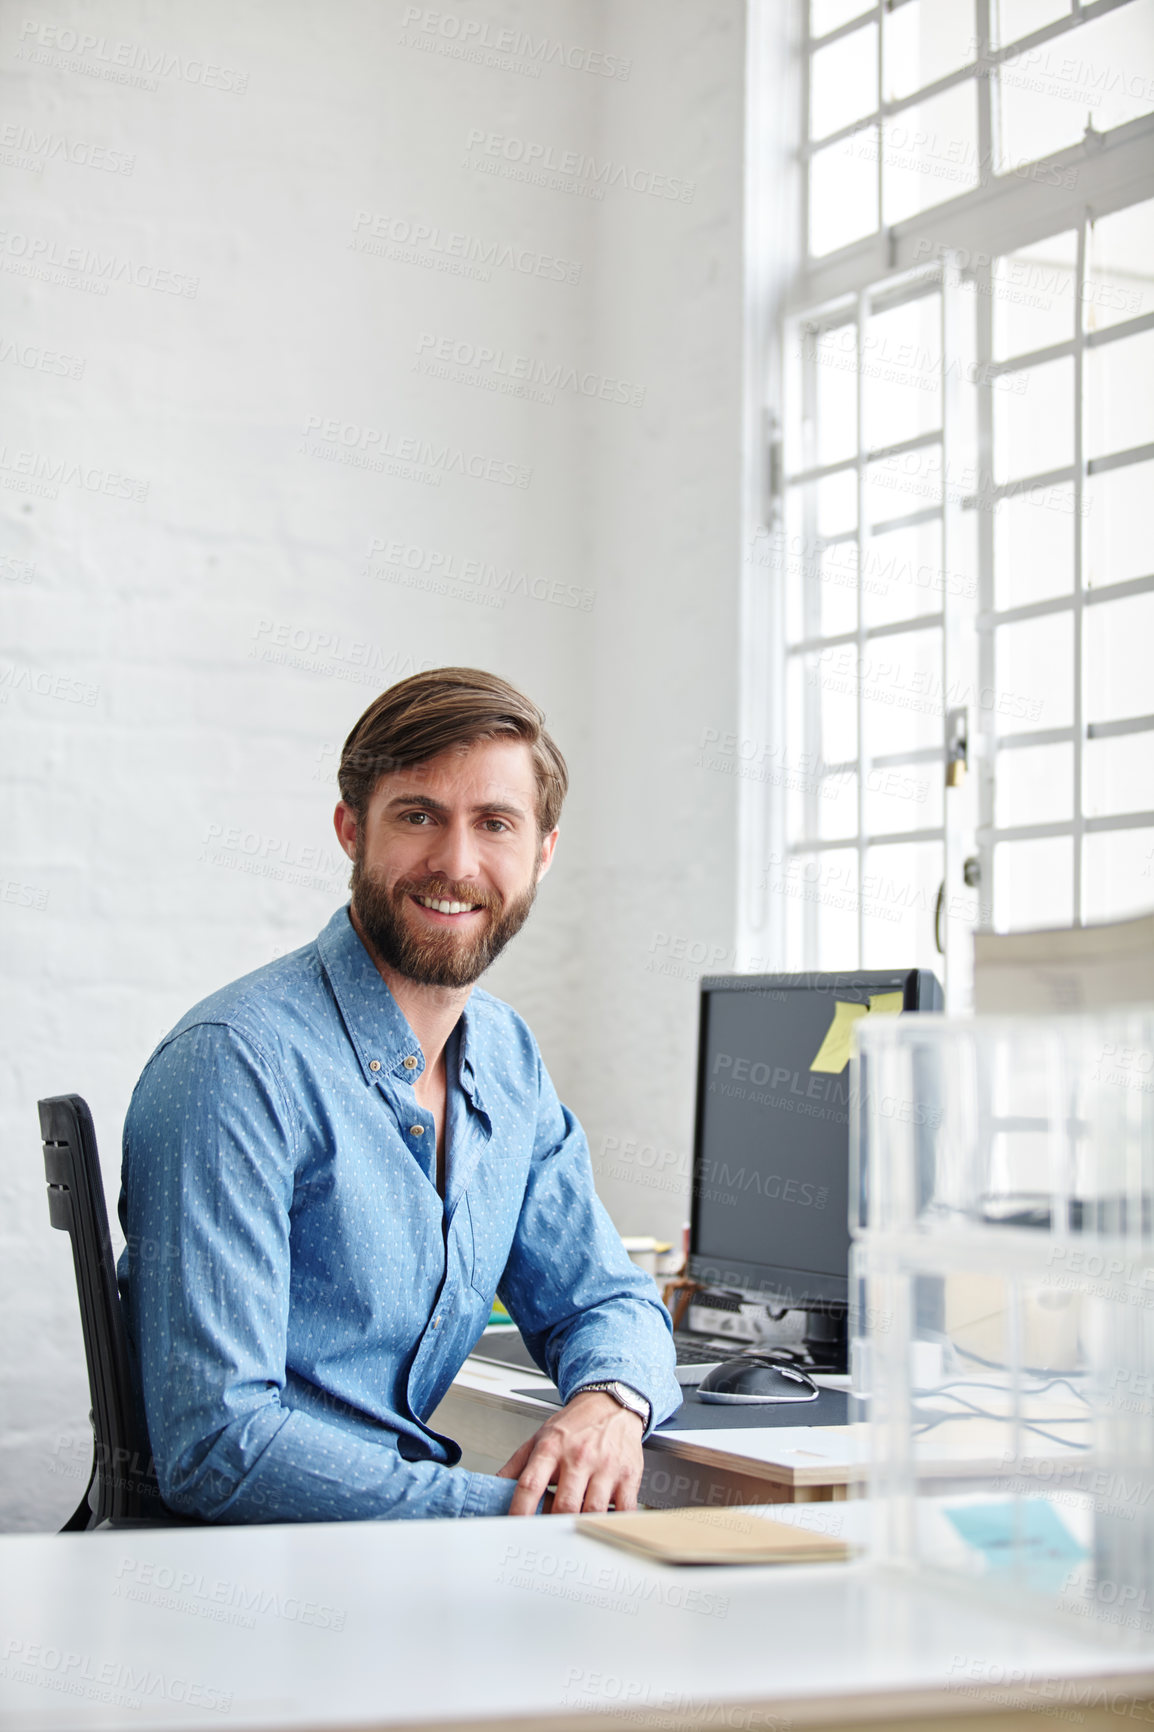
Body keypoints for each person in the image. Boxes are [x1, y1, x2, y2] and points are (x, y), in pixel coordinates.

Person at [118, 666, 680, 1523]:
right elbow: (217, 1449)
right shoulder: (236, 1067)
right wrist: (511, 1522)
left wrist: (611, 1402)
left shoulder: (506, 1058)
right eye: (418, 816)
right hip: (243, 1592)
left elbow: (605, 1298)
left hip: (395, 1576)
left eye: (496, 824)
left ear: (543, 851)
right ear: (352, 830)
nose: (456, 864)